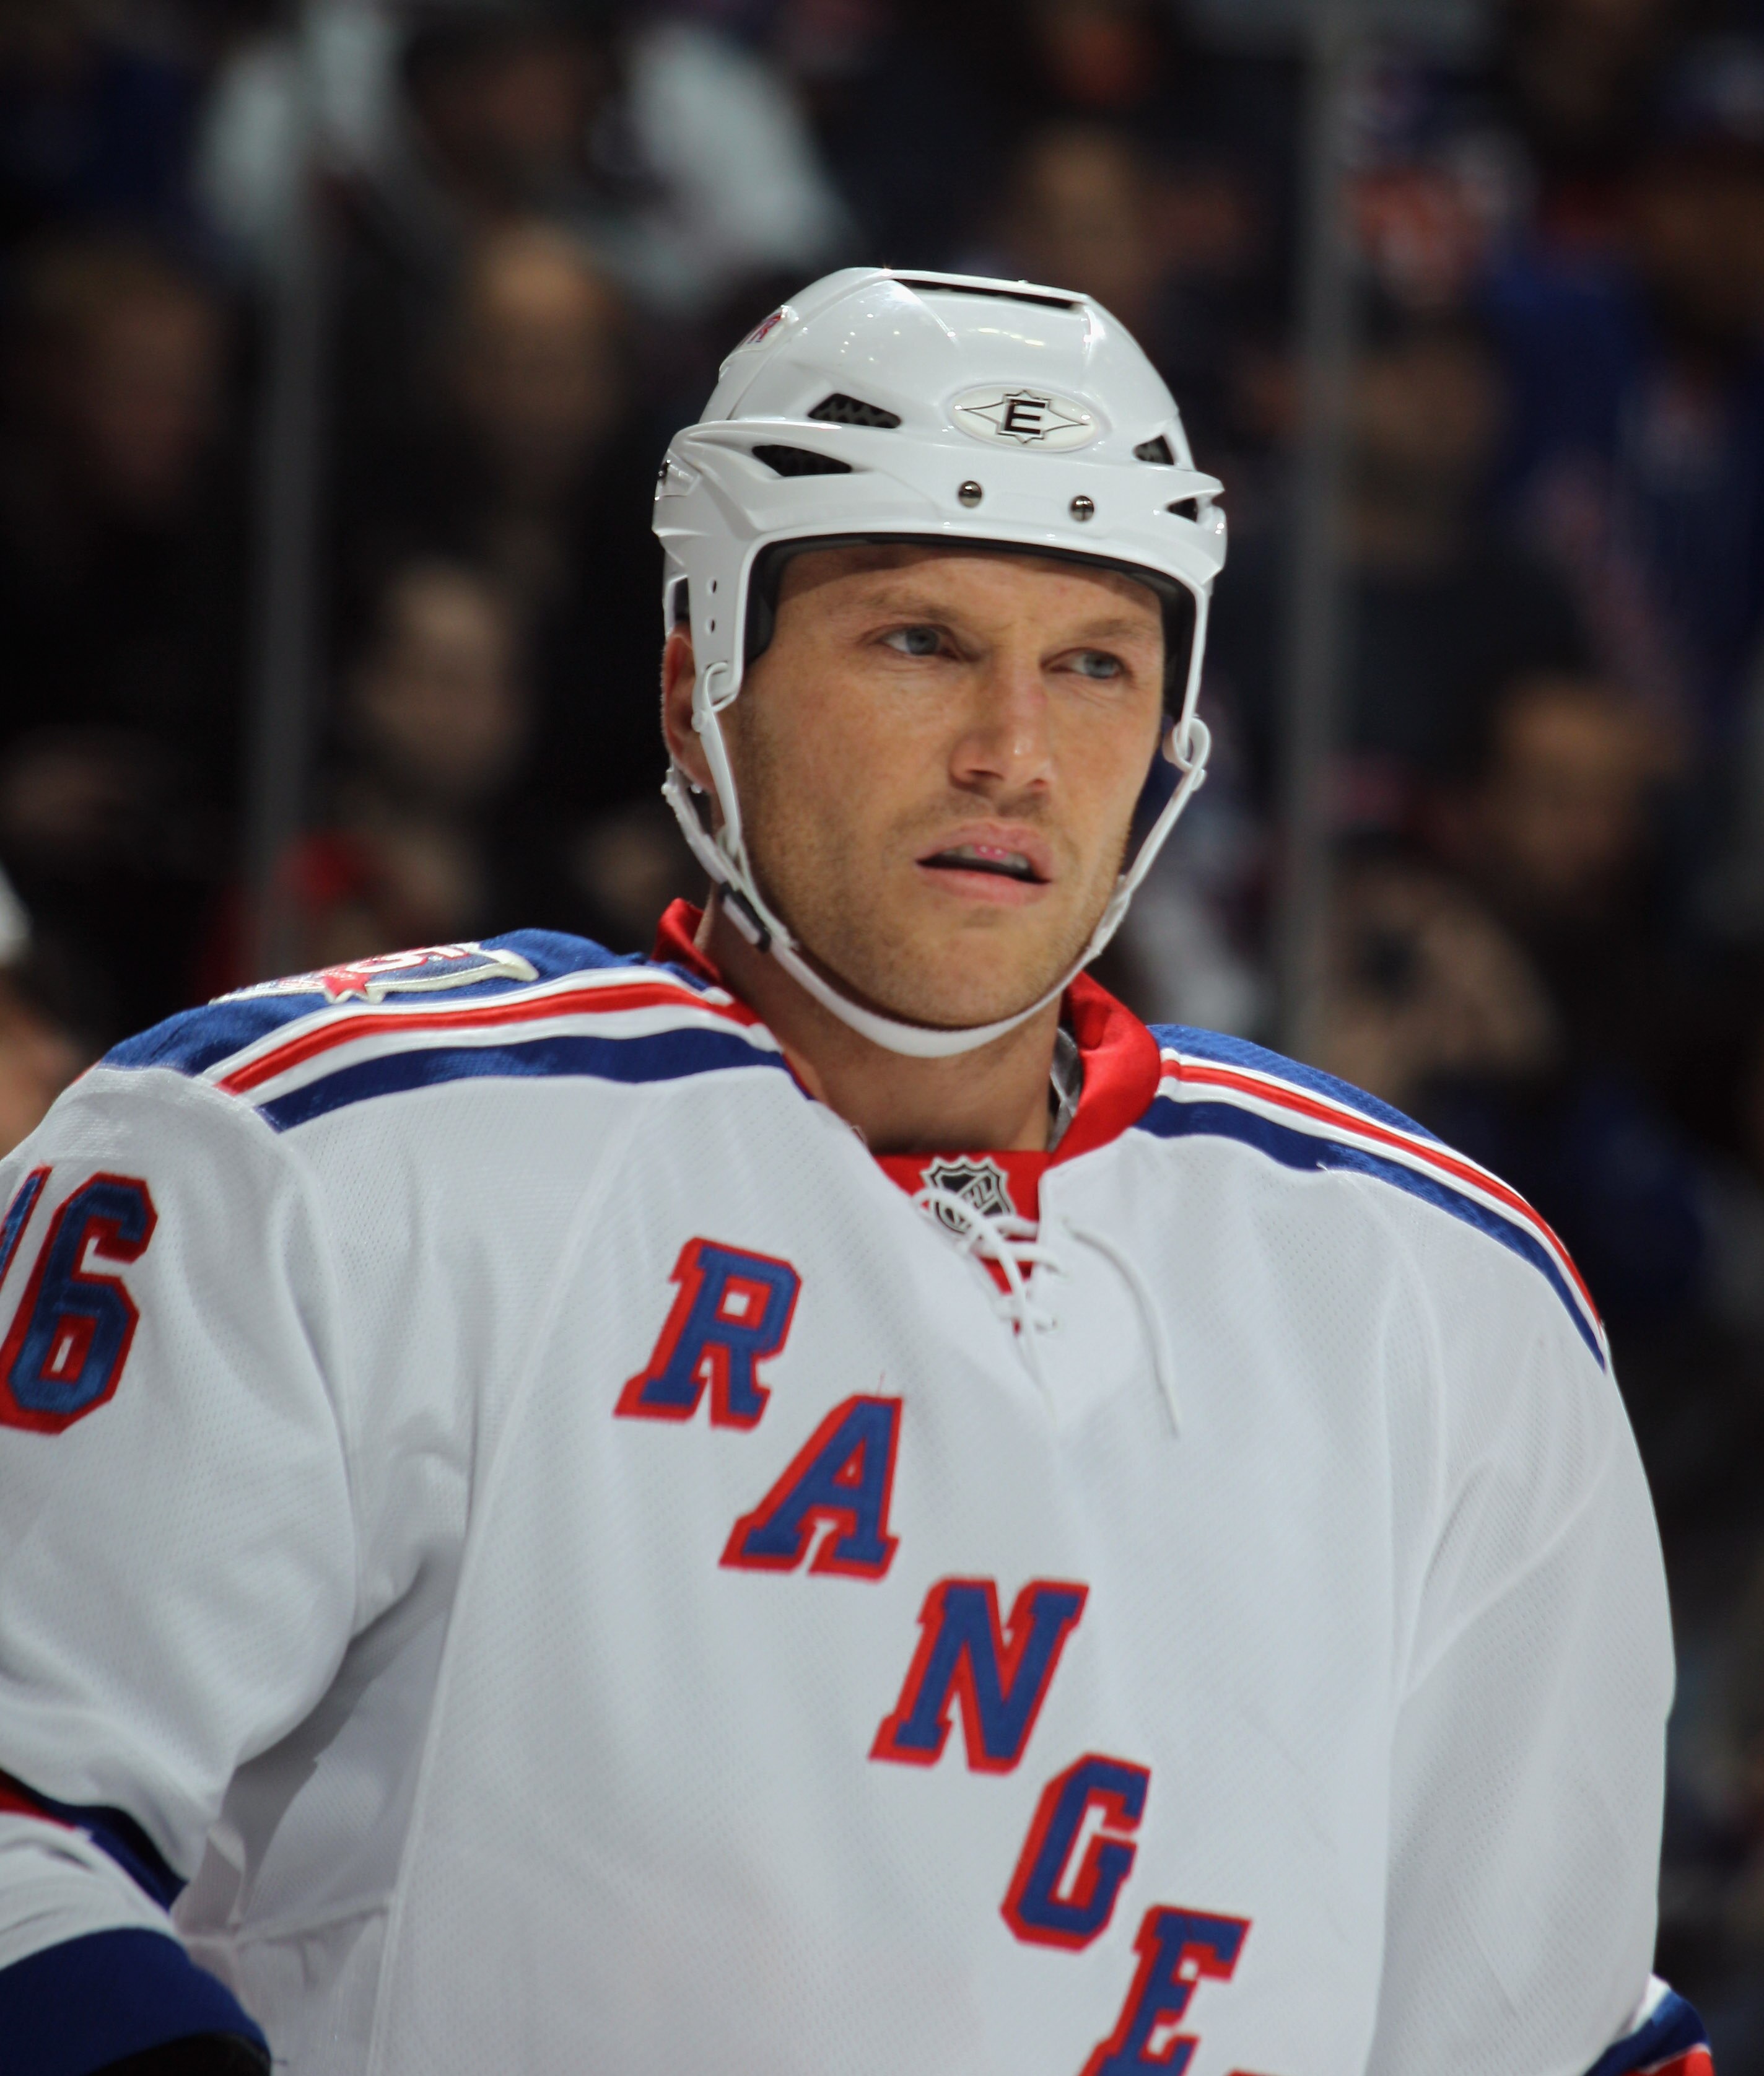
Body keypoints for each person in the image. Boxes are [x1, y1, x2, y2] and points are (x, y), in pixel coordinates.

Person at [0, 269, 1712, 2076]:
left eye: (1095, 665)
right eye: (918, 640)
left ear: (1175, 736)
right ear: (696, 690)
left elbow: (1542, 2027)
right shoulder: (301, 1156)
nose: (1015, 753)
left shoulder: (1442, 1297)